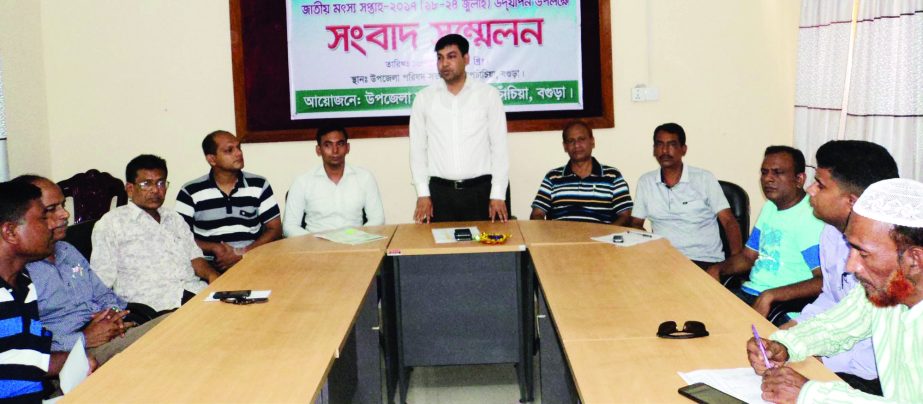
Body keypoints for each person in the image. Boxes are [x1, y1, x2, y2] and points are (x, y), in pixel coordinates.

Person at [747, 178, 923, 403]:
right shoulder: (887, 288)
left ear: (914, 259)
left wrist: (810, 394)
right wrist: (784, 345)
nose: (851, 266)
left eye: (863, 253)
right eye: (851, 248)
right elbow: (836, 326)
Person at [775, 140, 898, 394]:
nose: (809, 190)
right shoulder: (831, 233)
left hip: (866, 377)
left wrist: (811, 387)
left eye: (820, 184)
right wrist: (786, 341)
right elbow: (839, 315)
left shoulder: (894, 273)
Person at [19, 175, 164, 366]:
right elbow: (22, 349)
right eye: (51, 209)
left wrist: (114, 316)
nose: (65, 214)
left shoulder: (66, 250)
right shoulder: (18, 271)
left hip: (111, 333)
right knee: (171, 333)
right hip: (73, 354)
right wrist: (84, 338)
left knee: (178, 325)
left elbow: (105, 295)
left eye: (63, 205)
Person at [706, 146, 824, 325]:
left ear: (799, 179)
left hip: (780, 307)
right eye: (764, 172)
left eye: (777, 172)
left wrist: (772, 295)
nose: (768, 179)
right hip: (750, 294)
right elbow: (748, 257)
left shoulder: (811, 216)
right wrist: (718, 269)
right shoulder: (771, 207)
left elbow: (823, 280)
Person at [92, 155, 219, 313]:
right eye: (146, 184)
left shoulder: (174, 218)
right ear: (130, 189)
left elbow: (195, 257)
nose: (155, 190)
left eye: (161, 183)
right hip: (152, 307)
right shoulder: (111, 224)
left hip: (194, 293)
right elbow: (101, 281)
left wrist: (214, 278)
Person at [409, 33, 510, 223]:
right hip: (440, 194)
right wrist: (423, 193)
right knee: (441, 250)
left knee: (488, 251)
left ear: (466, 59)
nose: (444, 63)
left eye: (451, 56)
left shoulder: (488, 95)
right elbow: (417, 150)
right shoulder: (424, 98)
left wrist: (498, 194)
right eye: (440, 58)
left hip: (481, 192)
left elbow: (499, 148)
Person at [629, 123, 742, 268]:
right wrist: (649, 247)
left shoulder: (704, 179)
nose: (665, 150)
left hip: (704, 262)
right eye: (660, 144)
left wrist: (734, 264)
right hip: (663, 261)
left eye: (671, 145)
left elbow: (729, 221)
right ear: (654, 150)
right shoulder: (646, 182)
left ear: (683, 149)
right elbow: (635, 224)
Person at [0, 181, 72, 401]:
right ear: (10, 232)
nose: (51, 226)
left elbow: (29, 359)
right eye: (43, 218)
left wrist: (76, 361)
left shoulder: (23, 283)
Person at [175, 130, 282, 271]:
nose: (238, 153)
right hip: (209, 266)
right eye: (229, 150)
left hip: (252, 260)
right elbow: (178, 236)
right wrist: (214, 247)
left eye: (239, 147)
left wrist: (243, 252)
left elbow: (275, 229)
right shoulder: (190, 191)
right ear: (212, 159)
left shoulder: (259, 184)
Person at [284, 126, 385, 236]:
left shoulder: (364, 178)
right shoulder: (302, 182)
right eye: (328, 145)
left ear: (347, 148)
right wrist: (314, 241)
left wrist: (355, 236)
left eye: (340, 144)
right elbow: (289, 227)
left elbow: (378, 219)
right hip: (315, 246)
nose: (335, 150)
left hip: (355, 243)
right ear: (318, 150)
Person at [530, 120, 633, 225]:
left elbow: (625, 216)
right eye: (571, 141)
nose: (576, 145)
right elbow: (537, 214)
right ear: (565, 146)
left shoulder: (612, 176)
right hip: (561, 238)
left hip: (601, 238)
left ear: (592, 142)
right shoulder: (553, 177)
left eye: (581, 139)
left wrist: (608, 236)